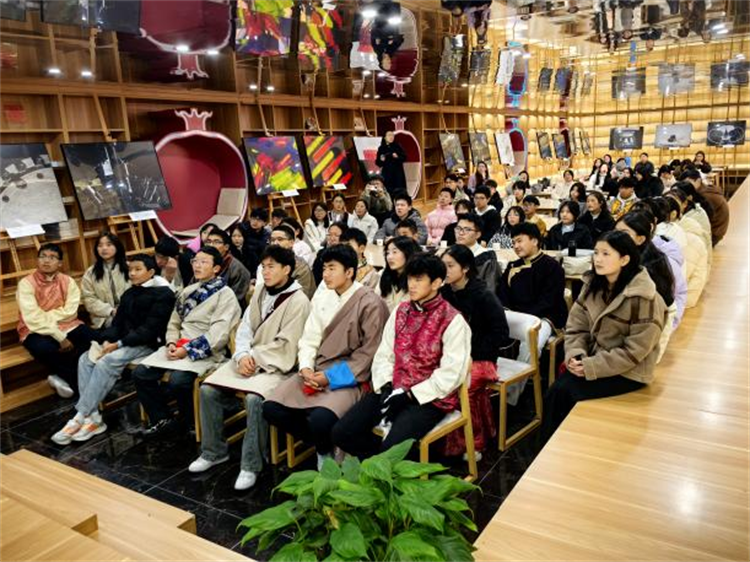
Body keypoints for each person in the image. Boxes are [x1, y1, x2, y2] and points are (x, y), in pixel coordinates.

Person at [189, 246, 311, 490]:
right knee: (208, 390)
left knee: (255, 400)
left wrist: (253, 357)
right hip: (250, 359)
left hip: (278, 367)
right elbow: (245, 327)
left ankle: (251, 464)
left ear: (287, 269)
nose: (265, 272)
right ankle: (214, 452)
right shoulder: (260, 292)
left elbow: (287, 346)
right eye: (263, 266)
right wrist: (242, 353)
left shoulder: (299, 301)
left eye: (272, 267)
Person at [331, 253, 471, 459]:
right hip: (393, 388)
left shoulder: (453, 320)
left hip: (429, 398)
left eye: (419, 279)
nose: (411, 285)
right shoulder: (401, 311)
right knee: (341, 433)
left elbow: (452, 373)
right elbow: (384, 354)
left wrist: (410, 395)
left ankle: (387, 464)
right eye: (410, 278)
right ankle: (379, 464)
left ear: (436, 283)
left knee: (390, 451)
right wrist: (387, 386)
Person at [263, 245, 389, 469]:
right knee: (271, 408)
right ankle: (324, 446)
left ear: (349, 272)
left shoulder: (370, 303)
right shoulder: (322, 298)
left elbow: (368, 354)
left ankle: (324, 451)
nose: (326, 275)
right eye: (324, 269)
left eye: (332, 268)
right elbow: (309, 338)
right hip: (317, 369)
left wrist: (329, 377)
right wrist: (306, 368)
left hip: (349, 377)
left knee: (321, 419)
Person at [543, 230, 667, 438]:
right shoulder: (593, 285)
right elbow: (576, 327)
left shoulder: (645, 298)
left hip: (629, 371)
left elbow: (635, 351)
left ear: (625, 259)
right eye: (596, 253)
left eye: (606, 254)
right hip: (593, 359)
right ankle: (547, 448)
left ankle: (555, 446)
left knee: (564, 393)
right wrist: (577, 355)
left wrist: (592, 366)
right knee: (556, 392)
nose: (598, 259)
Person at [51, 254, 175, 445]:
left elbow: (149, 330)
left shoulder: (163, 294)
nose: (132, 273)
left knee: (107, 361)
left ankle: (79, 416)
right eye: (130, 269)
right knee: (86, 358)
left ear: (151, 272)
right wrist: (105, 339)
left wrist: (118, 344)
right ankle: (94, 419)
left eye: (138, 269)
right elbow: (117, 324)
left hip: (149, 344)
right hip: (124, 342)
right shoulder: (129, 293)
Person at [133, 246, 241, 437]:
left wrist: (187, 349)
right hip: (179, 345)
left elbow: (219, 334)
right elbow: (174, 322)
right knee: (140, 373)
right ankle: (162, 418)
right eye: (195, 261)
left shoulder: (225, 295)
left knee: (178, 381)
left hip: (205, 349)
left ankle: (190, 420)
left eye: (203, 262)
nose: (197, 265)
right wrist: (171, 343)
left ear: (216, 268)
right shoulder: (188, 291)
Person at [440, 245, 510, 455]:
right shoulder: (444, 292)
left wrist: (469, 353)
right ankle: (439, 439)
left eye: (450, 266)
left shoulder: (483, 295)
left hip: (481, 357)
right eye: (442, 266)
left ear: (465, 268)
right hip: (452, 355)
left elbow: (501, 334)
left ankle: (473, 443)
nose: (445, 271)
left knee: (463, 385)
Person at [17, 244, 95, 398]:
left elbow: (70, 312)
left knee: (93, 337)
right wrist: (60, 337)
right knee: (45, 349)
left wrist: (44, 316)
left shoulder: (68, 281)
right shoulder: (26, 283)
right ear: (37, 260)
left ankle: (61, 376)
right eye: (43, 256)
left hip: (67, 324)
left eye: (52, 257)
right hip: (34, 329)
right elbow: (33, 318)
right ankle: (81, 386)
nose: (46, 261)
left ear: (60, 263)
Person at [498, 222, 567, 335]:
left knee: (531, 336)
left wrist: (524, 316)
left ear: (534, 241)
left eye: (519, 241)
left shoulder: (552, 266)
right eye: (513, 242)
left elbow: (549, 300)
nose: (516, 246)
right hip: (516, 316)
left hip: (545, 317)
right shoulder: (512, 266)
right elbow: (502, 293)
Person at [81, 232, 130, 329]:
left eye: (109, 244)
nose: (104, 248)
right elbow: (88, 299)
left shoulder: (130, 268)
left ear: (117, 247)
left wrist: (125, 309)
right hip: (105, 318)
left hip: (130, 312)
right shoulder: (90, 273)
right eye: (100, 245)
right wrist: (111, 311)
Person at [255, 225, 316, 299]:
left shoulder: (301, 267)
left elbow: (302, 296)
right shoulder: (264, 263)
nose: (275, 243)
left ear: (291, 242)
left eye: (280, 239)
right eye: (272, 240)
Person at [203, 229, 252, 306]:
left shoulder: (238, 269)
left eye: (216, 242)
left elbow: (235, 300)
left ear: (226, 247)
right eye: (208, 242)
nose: (211, 245)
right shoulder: (202, 264)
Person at [682, 168, 728, 246]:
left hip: (713, 234)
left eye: (688, 182)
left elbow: (700, 219)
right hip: (715, 230)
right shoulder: (705, 190)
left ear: (698, 181)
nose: (686, 185)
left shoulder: (706, 196)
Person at [455, 213, 499, 293]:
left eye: (467, 229)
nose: (461, 233)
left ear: (478, 235)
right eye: (458, 228)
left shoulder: (487, 258)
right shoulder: (450, 255)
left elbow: (490, 290)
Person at [377, 236, 421, 312]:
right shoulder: (382, 275)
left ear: (408, 253)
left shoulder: (419, 279)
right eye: (387, 253)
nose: (389, 257)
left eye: (394, 252)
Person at [376, 131, 407, 196]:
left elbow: (404, 157)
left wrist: (397, 157)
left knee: (399, 192)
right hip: (387, 174)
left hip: (398, 174)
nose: (391, 137)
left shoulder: (397, 146)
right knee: (388, 192)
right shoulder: (381, 148)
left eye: (392, 135)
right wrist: (381, 160)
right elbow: (378, 163)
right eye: (389, 135)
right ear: (385, 137)